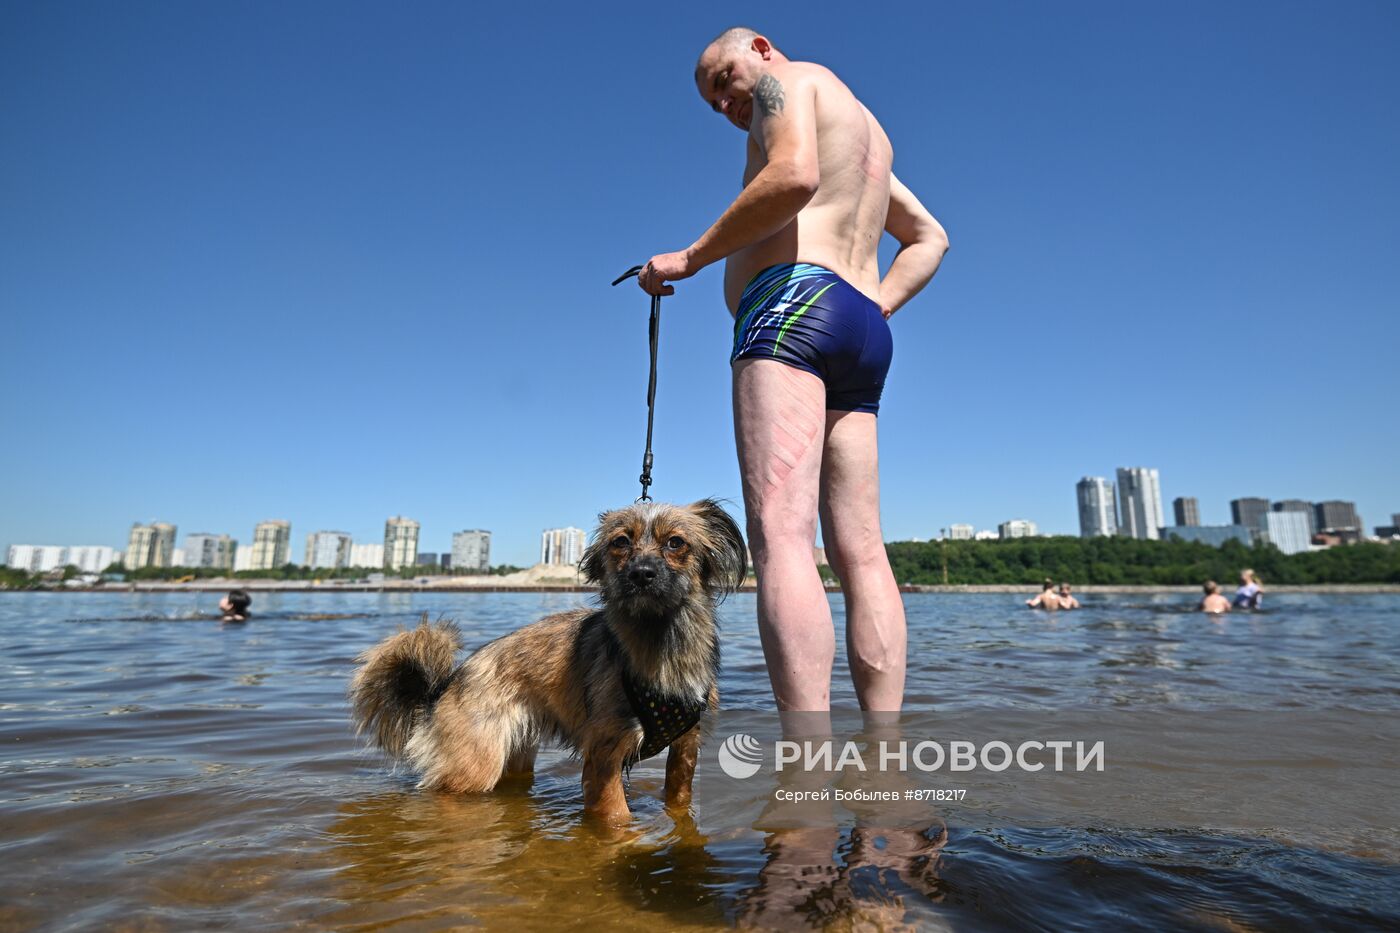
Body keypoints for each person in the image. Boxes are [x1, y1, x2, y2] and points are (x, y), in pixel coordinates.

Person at [637, 28, 948, 712]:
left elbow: (795, 175)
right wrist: (877, 307)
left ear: (760, 47)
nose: (723, 104)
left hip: (789, 311)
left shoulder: (791, 83)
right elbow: (930, 237)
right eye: (711, 101)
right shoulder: (866, 135)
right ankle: (884, 761)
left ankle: (806, 770)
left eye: (723, 79)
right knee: (863, 552)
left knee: (782, 540)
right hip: (859, 325)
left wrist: (687, 259)